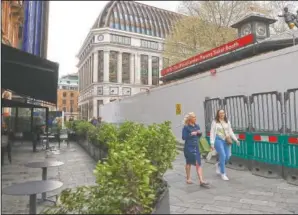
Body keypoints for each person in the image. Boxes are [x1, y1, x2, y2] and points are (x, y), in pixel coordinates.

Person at [210, 109, 240, 181]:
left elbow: (230, 131)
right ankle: (223, 173)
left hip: (226, 140)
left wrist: (236, 140)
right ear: (218, 114)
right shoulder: (215, 122)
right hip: (218, 140)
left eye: (223, 113)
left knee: (228, 156)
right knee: (223, 155)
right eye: (220, 113)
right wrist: (212, 143)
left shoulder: (227, 122)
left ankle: (219, 165)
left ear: (224, 114)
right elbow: (212, 132)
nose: (222, 114)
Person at [182, 112, 209, 187]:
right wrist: (191, 134)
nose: (195, 118)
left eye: (195, 117)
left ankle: (201, 180)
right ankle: (188, 178)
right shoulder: (186, 127)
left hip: (196, 147)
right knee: (189, 163)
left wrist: (199, 133)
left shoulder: (197, 126)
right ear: (190, 118)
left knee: (198, 163)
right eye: (193, 117)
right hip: (189, 147)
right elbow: (184, 137)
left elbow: (199, 136)